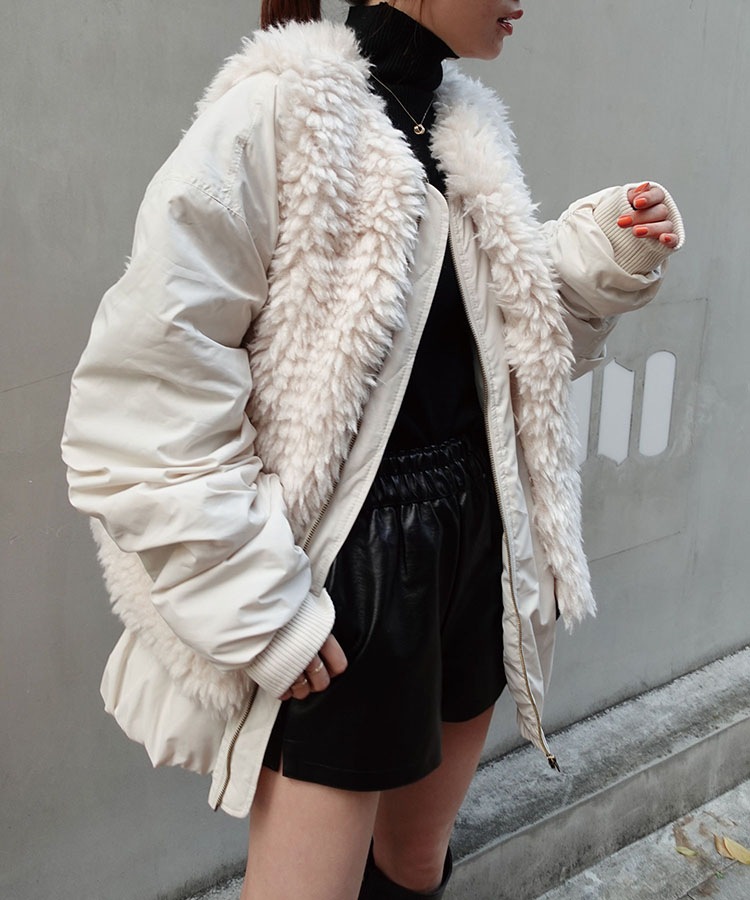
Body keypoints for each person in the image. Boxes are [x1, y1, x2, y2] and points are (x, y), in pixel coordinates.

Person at [61, 0, 685, 897]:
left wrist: (600, 261)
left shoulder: (463, 132)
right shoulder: (277, 114)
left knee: (415, 863)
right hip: (344, 571)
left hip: (474, 541)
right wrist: (257, 607)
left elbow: (493, 346)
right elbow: (146, 397)